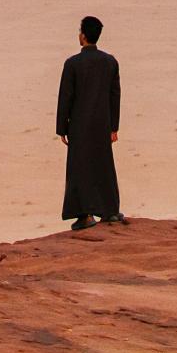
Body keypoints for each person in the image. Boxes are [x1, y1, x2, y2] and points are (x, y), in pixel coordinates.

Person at [57, 15, 125, 230]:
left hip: (79, 125)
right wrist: (114, 127)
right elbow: (115, 96)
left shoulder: (72, 64)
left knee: (79, 168)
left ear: (83, 36)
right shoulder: (110, 62)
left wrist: (62, 128)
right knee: (103, 165)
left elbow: (65, 97)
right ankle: (110, 211)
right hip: (102, 124)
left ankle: (84, 215)